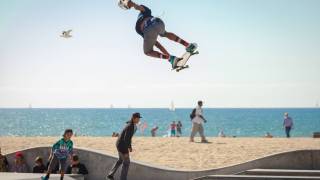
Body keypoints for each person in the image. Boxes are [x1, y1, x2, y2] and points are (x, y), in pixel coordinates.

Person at [123, 0, 198, 69]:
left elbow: (157, 44)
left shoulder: (137, 28)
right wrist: (133, 5)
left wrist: (132, 4)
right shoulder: (147, 12)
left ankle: (171, 58)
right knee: (165, 33)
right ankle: (189, 45)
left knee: (147, 52)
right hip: (158, 22)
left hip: (147, 29)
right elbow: (140, 8)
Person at [107, 112, 141, 180]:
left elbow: (128, 138)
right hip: (122, 146)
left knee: (120, 160)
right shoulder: (130, 126)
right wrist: (126, 151)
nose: (139, 120)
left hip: (119, 144)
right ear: (134, 118)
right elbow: (126, 139)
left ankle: (110, 175)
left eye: (139, 118)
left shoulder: (131, 124)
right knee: (126, 163)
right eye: (138, 118)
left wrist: (130, 147)